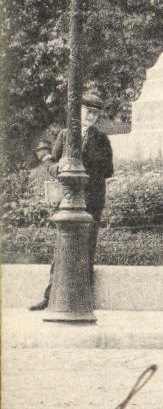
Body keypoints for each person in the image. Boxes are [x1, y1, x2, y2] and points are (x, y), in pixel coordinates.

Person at [30, 86, 114, 311]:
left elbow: (109, 170)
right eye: (87, 110)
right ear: (78, 112)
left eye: (95, 113)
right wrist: (58, 168)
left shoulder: (102, 139)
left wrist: (85, 168)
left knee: (87, 250)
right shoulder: (66, 135)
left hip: (91, 202)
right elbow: (50, 163)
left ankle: (83, 299)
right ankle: (50, 297)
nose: (91, 116)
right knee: (62, 249)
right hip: (67, 200)